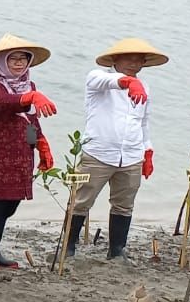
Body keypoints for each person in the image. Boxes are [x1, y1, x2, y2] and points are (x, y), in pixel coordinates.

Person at [60, 38, 166, 264]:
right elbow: (104, 80)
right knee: (81, 201)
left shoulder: (145, 87)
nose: (133, 64)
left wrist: (148, 150)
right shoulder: (98, 78)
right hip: (98, 153)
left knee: (124, 204)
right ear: (116, 59)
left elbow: (143, 122)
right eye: (128, 58)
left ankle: (117, 250)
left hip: (131, 155)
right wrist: (127, 82)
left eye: (139, 60)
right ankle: (67, 246)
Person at [0, 34, 57, 273]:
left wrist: (40, 144)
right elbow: (4, 103)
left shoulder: (29, 87)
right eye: (13, 59)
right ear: (0, 62)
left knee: (10, 205)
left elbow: (30, 120)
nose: (19, 63)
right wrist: (30, 98)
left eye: (23, 58)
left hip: (20, 155)